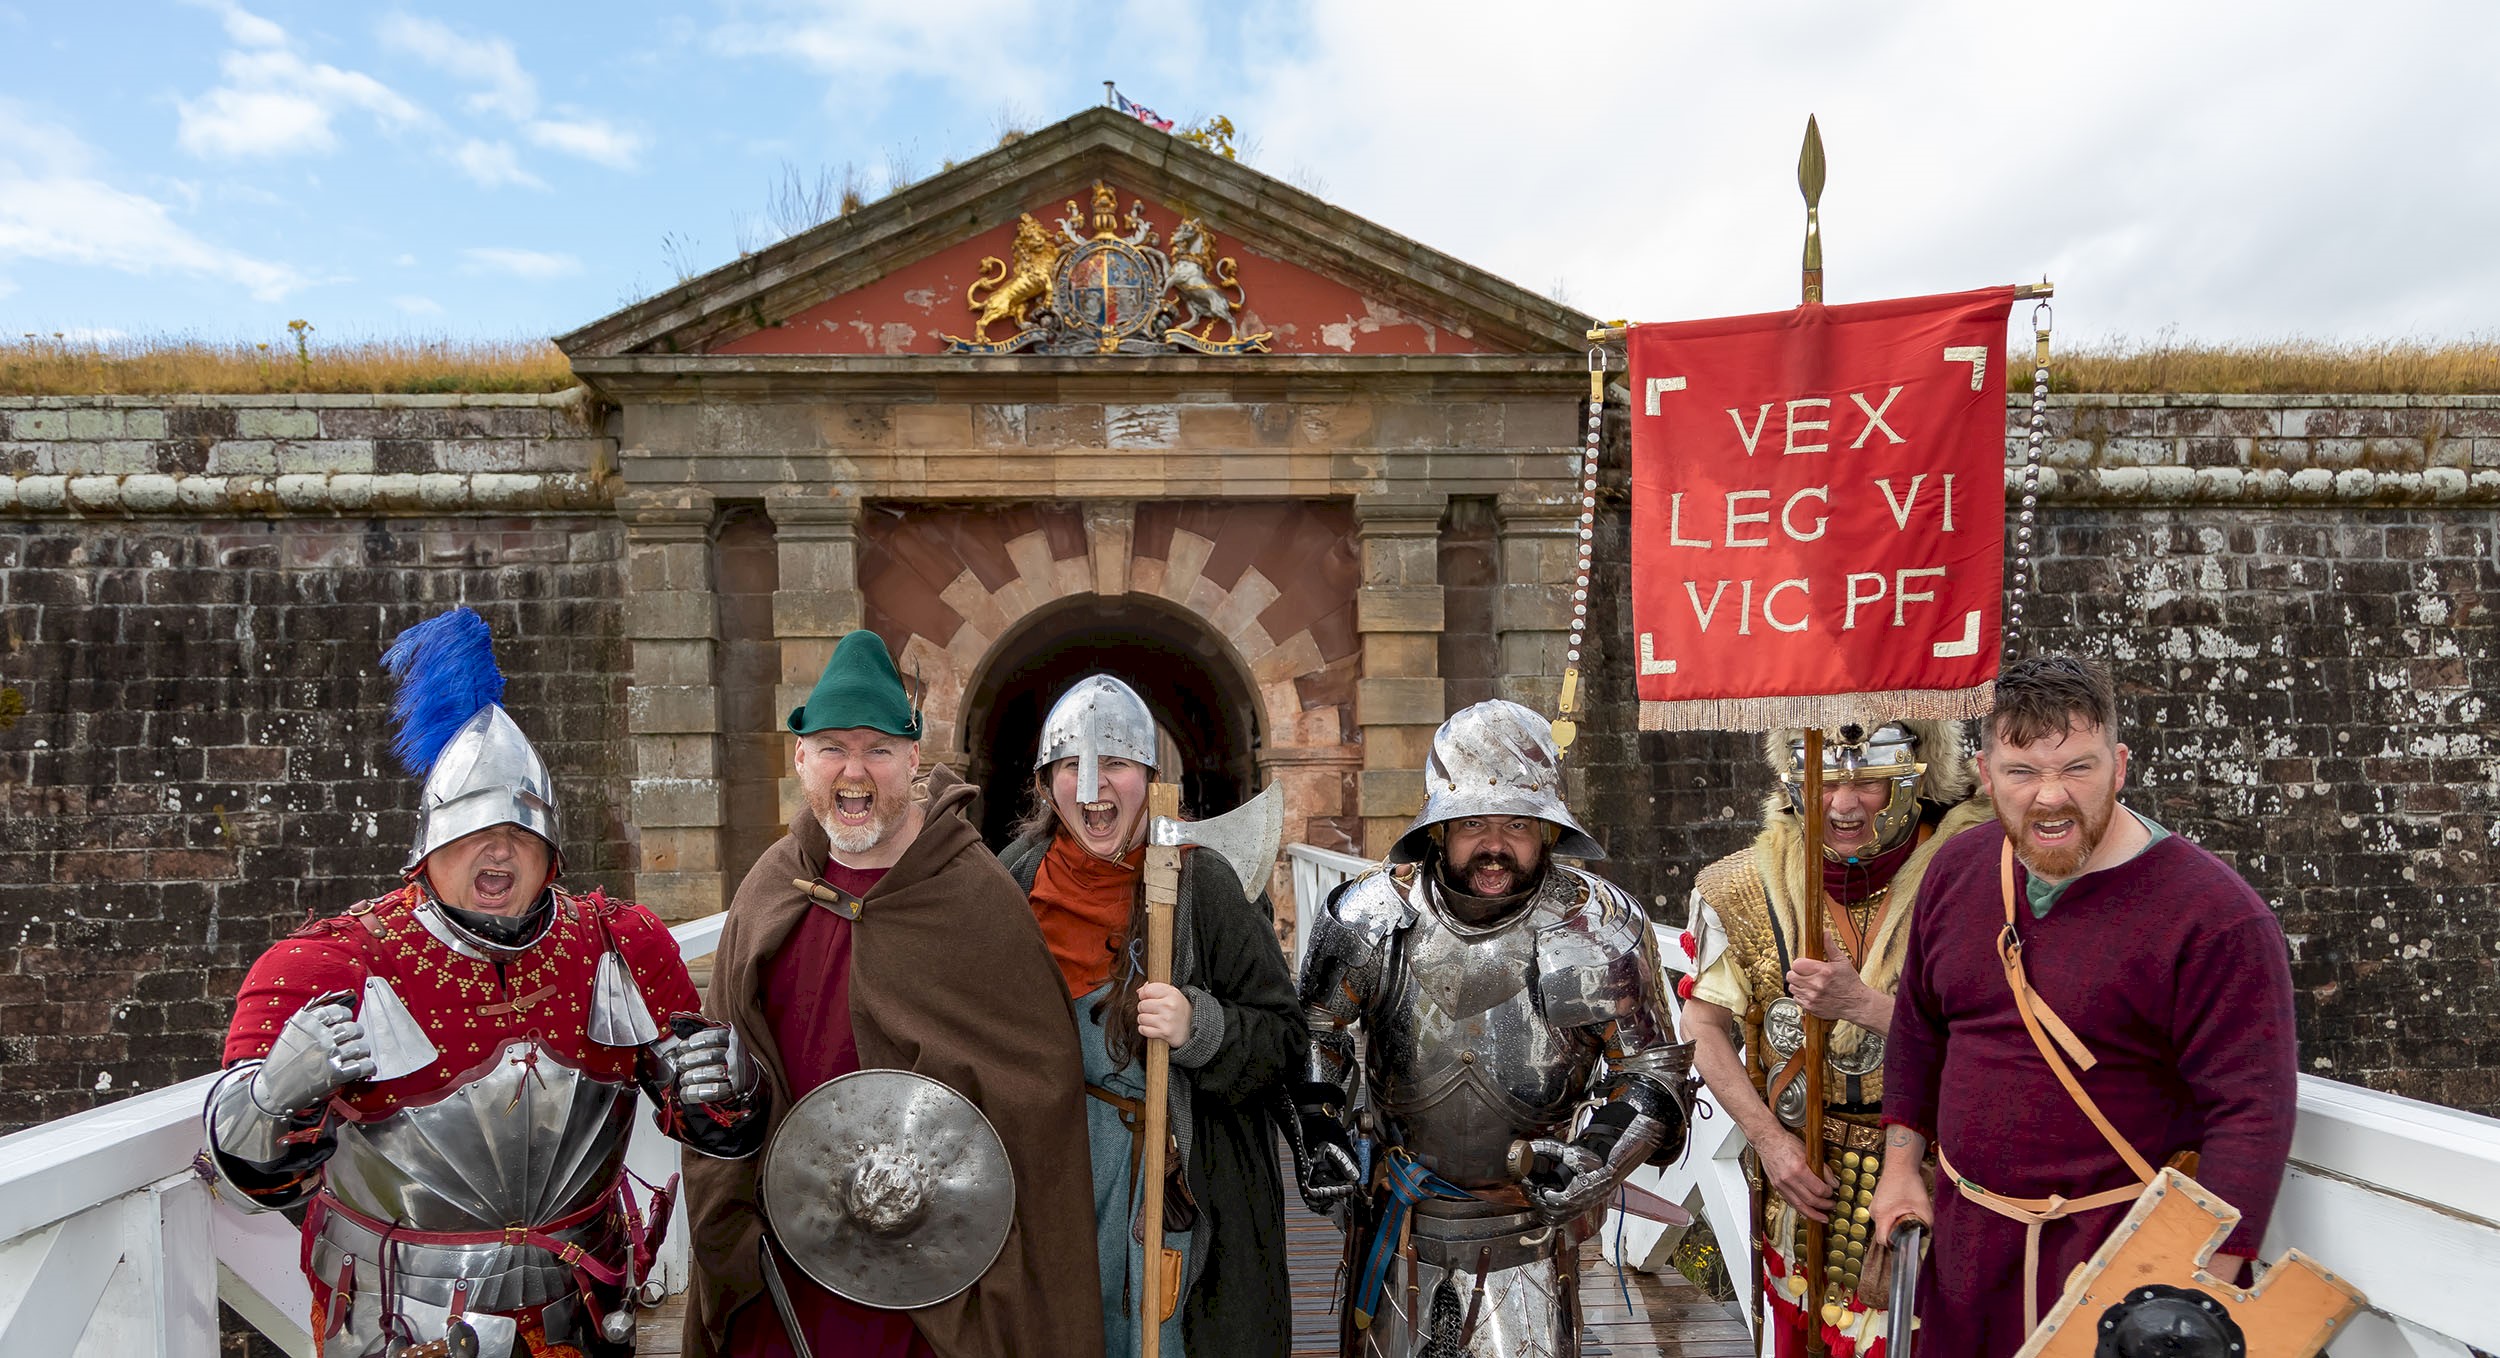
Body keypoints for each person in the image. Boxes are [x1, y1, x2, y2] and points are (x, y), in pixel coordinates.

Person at [206, 607, 764, 1357]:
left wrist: (733, 1085)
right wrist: (274, 1094)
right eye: (471, 835)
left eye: (519, 836)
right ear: (427, 850)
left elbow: (717, 1132)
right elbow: (247, 1173)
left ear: (552, 851)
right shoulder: (327, 964)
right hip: (403, 1327)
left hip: (587, 1316)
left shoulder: (620, 944)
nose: (497, 853)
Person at [679, 630, 1102, 1358]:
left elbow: (1040, 1090)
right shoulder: (772, 886)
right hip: (789, 1259)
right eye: (835, 749)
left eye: (877, 749)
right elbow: (725, 1059)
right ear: (802, 759)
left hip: (936, 1274)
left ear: (913, 761)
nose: (856, 771)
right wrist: (716, 1105)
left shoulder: (973, 895)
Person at [1871, 655, 2299, 1355]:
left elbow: (2251, 1113)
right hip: (1965, 1254)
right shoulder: (1956, 868)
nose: (2050, 797)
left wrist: (2202, 1297)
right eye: (2022, 772)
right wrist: (1898, 1171)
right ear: (1985, 775)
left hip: (2117, 1272)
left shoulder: (2216, 917)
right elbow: (1920, 1033)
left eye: (2077, 767)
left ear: (2121, 765)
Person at [1292, 699, 1694, 1358]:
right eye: (1472, 822)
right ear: (1437, 832)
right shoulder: (1371, 918)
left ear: (1549, 834)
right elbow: (1317, 1027)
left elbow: (1650, 1074)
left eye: (1518, 824)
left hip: (1529, 1235)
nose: (1495, 845)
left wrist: (1591, 1159)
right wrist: (1320, 1132)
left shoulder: (1595, 928)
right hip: (1400, 1224)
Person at [997, 674, 1303, 1358]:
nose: (1091, 787)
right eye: (1070, 766)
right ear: (1045, 785)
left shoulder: (1205, 884)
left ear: (1151, 778)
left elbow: (1285, 1040)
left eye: (1115, 764)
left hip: (1173, 1183)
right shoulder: (1014, 881)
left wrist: (1201, 1028)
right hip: (1057, 1179)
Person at [1680, 719, 1991, 1357]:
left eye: (1869, 784)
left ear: (1914, 776)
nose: (1844, 805)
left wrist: (1865, 1007)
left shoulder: (1983, 876)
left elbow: (2005, 1043)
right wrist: (1769, 1142)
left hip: (1943, 1179)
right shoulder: (1743, 887)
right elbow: (1704, 1027)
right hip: (1804, 1187)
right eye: (1825, 782)